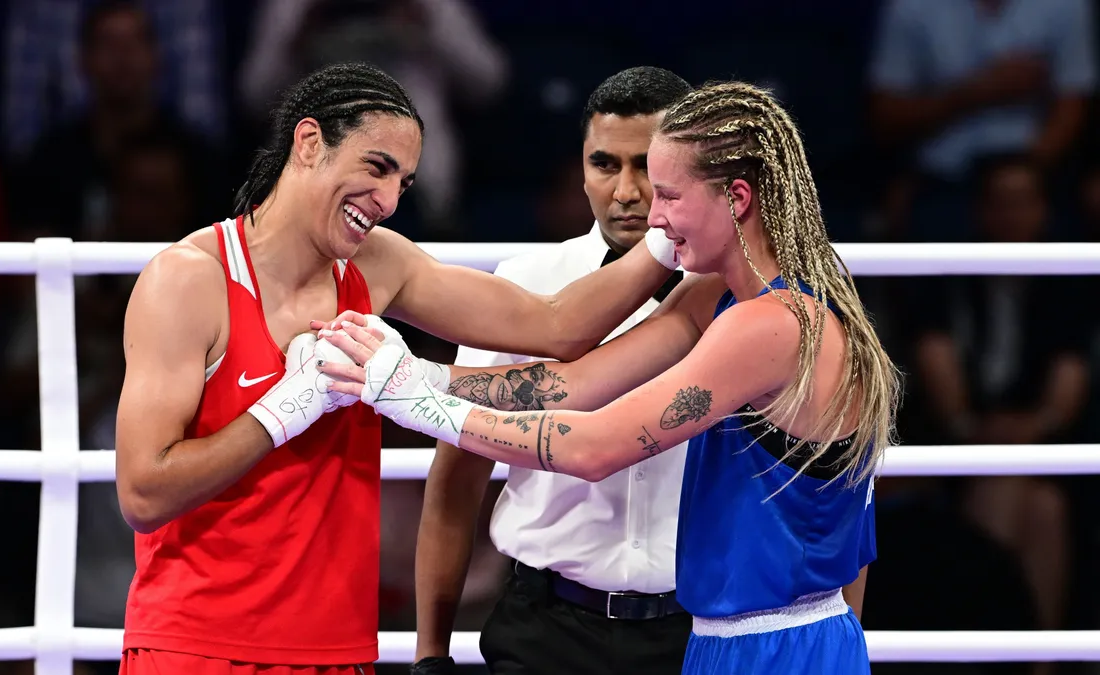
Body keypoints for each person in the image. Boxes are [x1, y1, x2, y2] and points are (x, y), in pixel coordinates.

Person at [114, 61, 680, 675]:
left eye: (403, 184)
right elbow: (144, 492)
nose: (386, 202)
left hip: (337, 647)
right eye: (377, 167)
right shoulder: (189, 279)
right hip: (195, 642)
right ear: (309, 143)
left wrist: (674, 224)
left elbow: (557, 325)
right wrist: (278, 413)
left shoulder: (378, 266)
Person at [320, 81, 900, 674]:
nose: (653, 217)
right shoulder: (723, 298)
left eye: (668, 193)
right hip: (714, 636)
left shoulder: (770, 325)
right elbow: (573, 384)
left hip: (774, 644)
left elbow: (593, 447)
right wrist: (416, 376)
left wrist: (416, 403)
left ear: (737, 198)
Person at [408, 66, 702, 675]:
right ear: (580, 168)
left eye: (647, 166)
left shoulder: (737, 295)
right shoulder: (525, 284)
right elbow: (457, 478)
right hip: (545, 629)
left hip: (699, 628)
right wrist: (430, 651)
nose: (626, 191)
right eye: (605, 164)